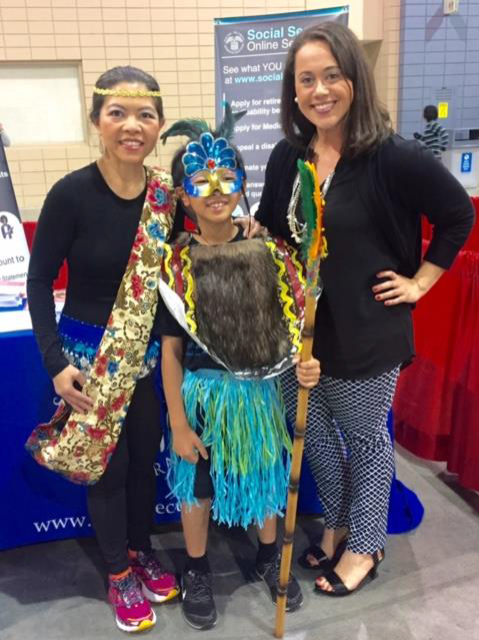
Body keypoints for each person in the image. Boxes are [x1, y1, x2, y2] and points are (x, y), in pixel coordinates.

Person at [254, 22, 475, 597]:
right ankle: (336, 525)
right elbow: (272, 230)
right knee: (314, 434)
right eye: (306, 79)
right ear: (293, 91)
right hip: (300, 333)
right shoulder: (288, 156)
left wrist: (420, 282)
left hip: (367, 329)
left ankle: (365, 545)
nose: (320, 90)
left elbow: (458, 215)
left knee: (366, 439)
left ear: (355, 78)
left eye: (332, 75)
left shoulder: (392, 156)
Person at [27, 66, 179, 633]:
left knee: (142, 464)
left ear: (159, 125)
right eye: (117, 113)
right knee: (107, 471)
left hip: (145, 362)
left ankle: (140, 550)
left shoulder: (166, 199)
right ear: (97, 121)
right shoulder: (70, 194)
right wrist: (56, 365)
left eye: (145, 115)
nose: (131, 126)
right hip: (87, 364)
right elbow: (39, 282)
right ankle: (118, 572)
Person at [158, 112, 321, 629]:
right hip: (202, 396)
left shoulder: (268, 252)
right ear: (183, 196)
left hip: (256, 397)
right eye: (200, 182)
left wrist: (305, 364)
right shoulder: (175, 265)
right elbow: (170, 352)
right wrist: (178, 422)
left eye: (226, 179)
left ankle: (269, 556)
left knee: (264, 476)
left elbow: (291, 332)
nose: (215, 191)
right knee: (197, 484)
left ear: (242, 185)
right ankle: (196, 568)